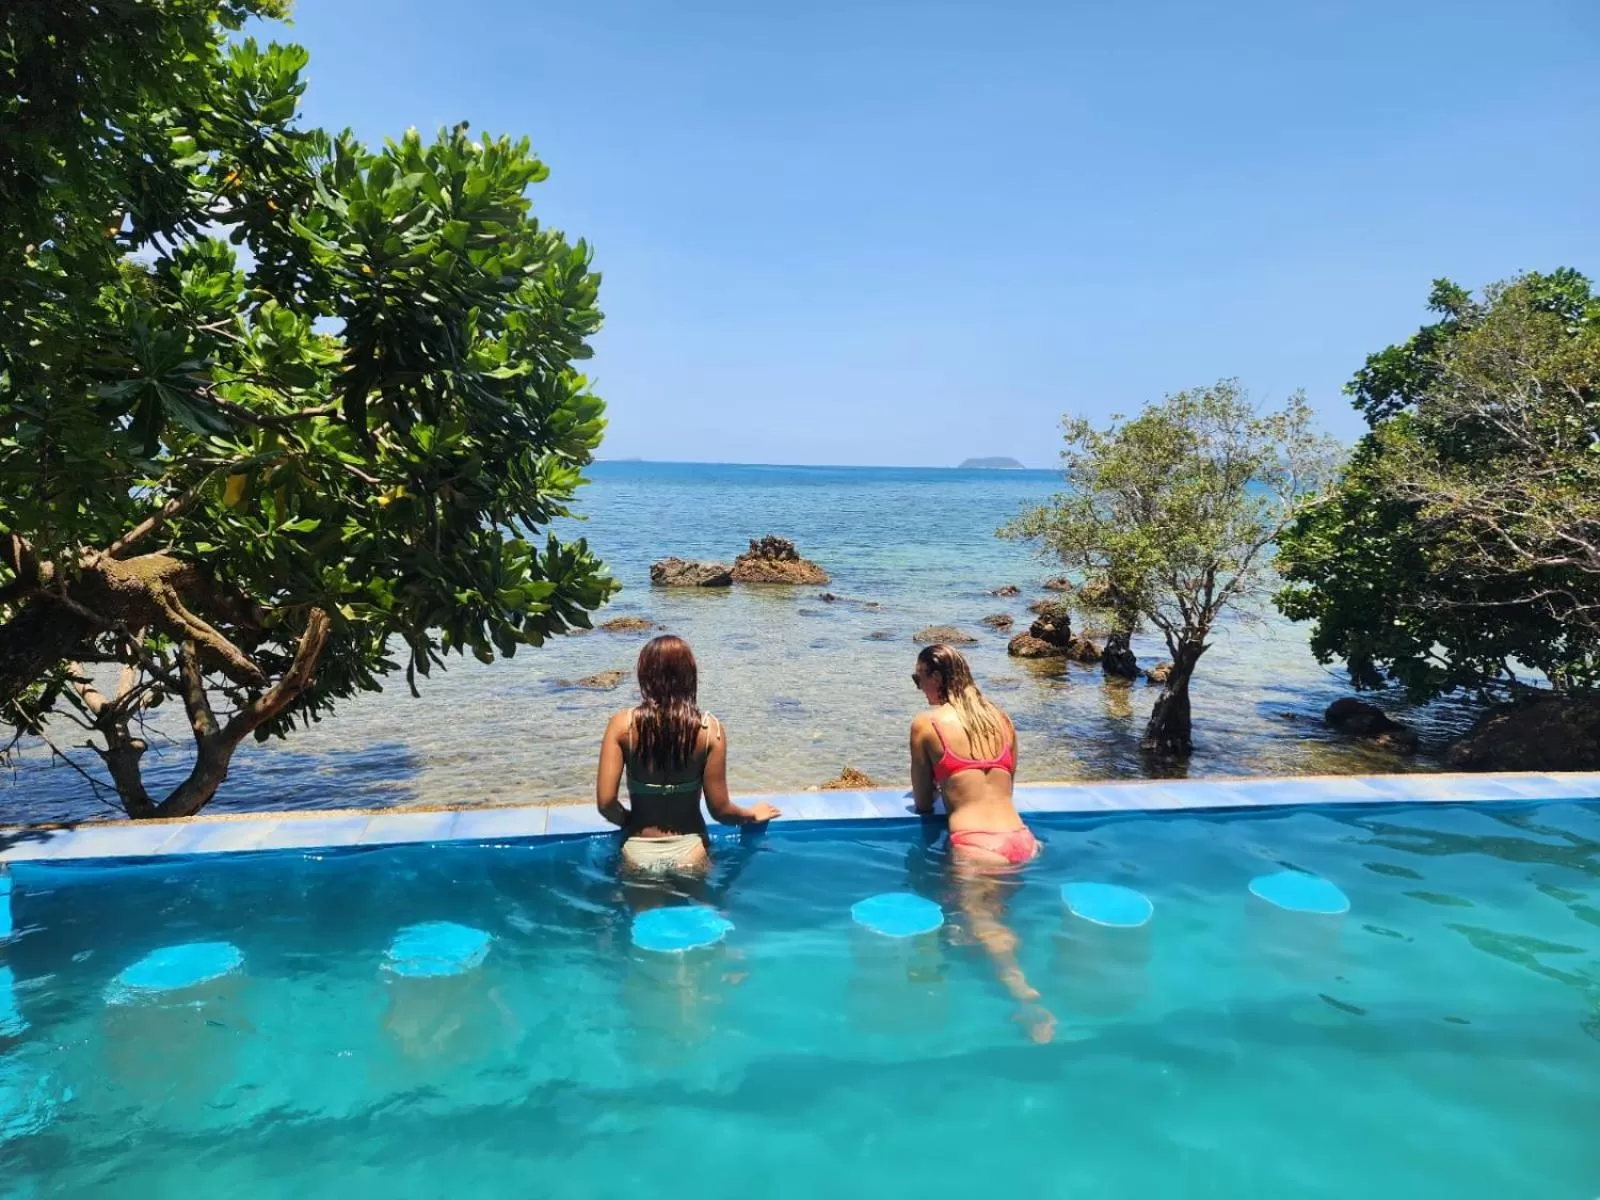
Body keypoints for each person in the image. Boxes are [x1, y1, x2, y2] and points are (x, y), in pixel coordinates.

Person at [909, 643, 1052, 1042]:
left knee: (984, 922)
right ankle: (1001, 962)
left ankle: (1023, 994)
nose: (918, 687)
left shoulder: (926, 724)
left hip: (976, 846)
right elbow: (1008, 787)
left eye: (918, 679)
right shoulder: (1002, 720)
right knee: (995, 914)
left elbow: (923, 803)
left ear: (936, 678)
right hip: (1021, 841)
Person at [596, 635, 780, 874]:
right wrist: (753, 815)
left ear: (645, 675)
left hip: (638, 848)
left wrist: (631, 822)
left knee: (638, 900)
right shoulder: (709, 730)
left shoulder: (622, 726)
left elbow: (606, 804)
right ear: (690, 675)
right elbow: (721, 811)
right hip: (691, 850)